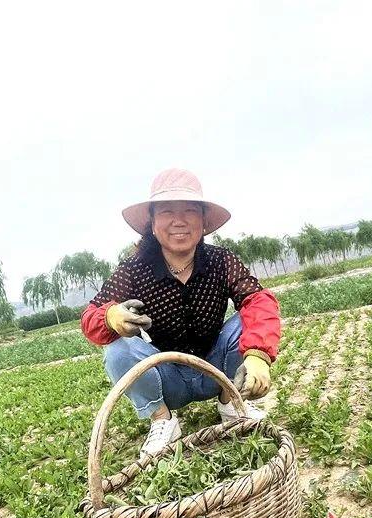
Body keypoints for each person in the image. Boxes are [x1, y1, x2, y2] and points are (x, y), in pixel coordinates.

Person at [81, 168, 281, 458]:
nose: (179, 220)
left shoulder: (221, 261)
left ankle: (231, 402)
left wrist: (259, 356)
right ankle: (162, 420)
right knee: (117, 348)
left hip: (217, 370)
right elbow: (92, 316)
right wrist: (111, 316)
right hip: (168, 377)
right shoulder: (133, 270)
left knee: (244, 320)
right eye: (166, 211)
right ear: (152, 223)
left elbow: (258, 301)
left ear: (202, 221)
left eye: (190, 210)